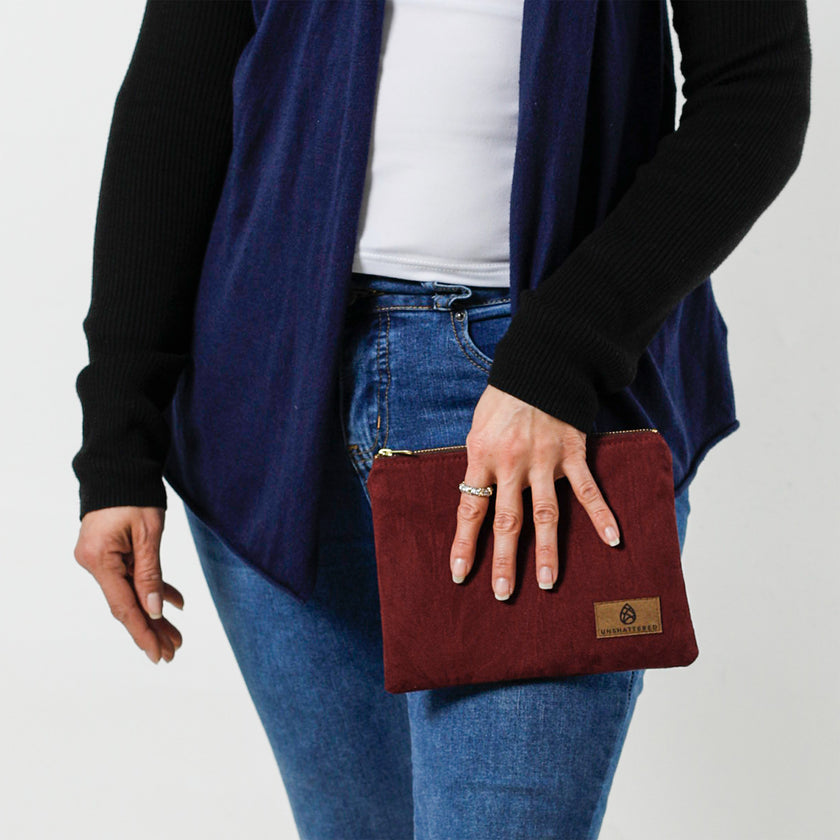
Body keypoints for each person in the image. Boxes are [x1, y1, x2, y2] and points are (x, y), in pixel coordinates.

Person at [71, 1, 811, 837]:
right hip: (274, 401)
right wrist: (117, 442)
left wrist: (557, 362)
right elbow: (178, 99)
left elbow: (756, 90)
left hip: (545, 409)